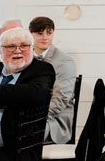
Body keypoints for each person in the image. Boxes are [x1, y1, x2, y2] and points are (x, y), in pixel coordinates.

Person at [0, 27, 55, 161]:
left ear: (32, 49)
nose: (18, 51)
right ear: (0, 51)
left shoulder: (41, 69)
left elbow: (38, 94)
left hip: (8, 148)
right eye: (11, 46)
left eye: (24, 46)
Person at [28, 16, 76, 144]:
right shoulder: (25, 58)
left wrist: (31, 118)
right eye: (40, 33)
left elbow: (60, 100)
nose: (45, 37)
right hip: (27, 115)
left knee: (20, 133)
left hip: (54, 120)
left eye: (49, 32)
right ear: (30, 34)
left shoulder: (64, 62)